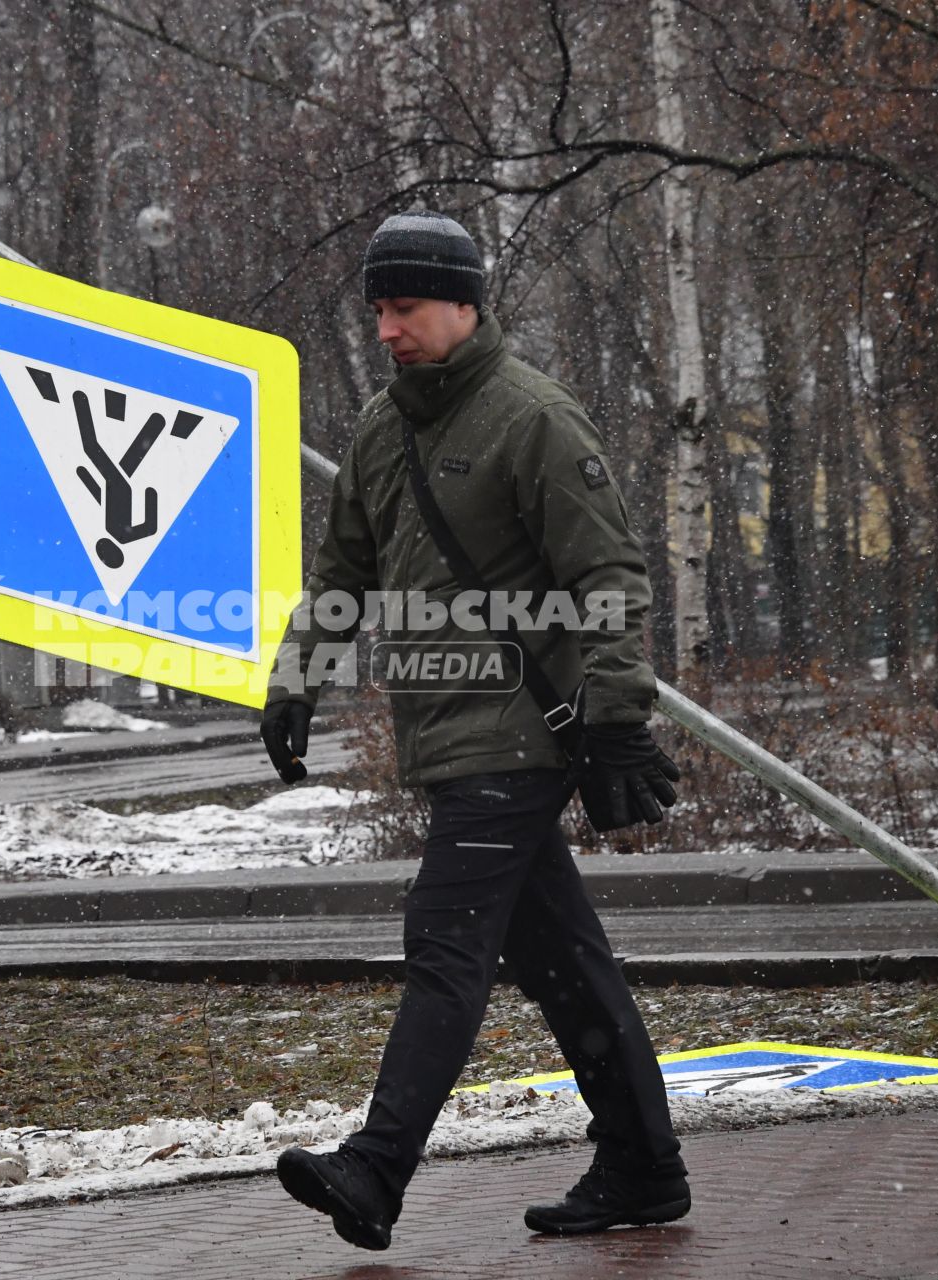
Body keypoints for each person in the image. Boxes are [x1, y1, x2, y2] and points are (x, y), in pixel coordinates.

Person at [259, 211, 689, 1251]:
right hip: (455, 738)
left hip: (522, 733)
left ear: (464, 303)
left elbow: (610, 578)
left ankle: (377, 1166)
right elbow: (346, 571)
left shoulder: (532, 416)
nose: (388, 330)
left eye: (405, 308)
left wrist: (621, 714)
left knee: (445, 944)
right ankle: (643, 1160)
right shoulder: (380, 425)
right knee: (565, 963)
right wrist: (297, 680)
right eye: (377, 311)